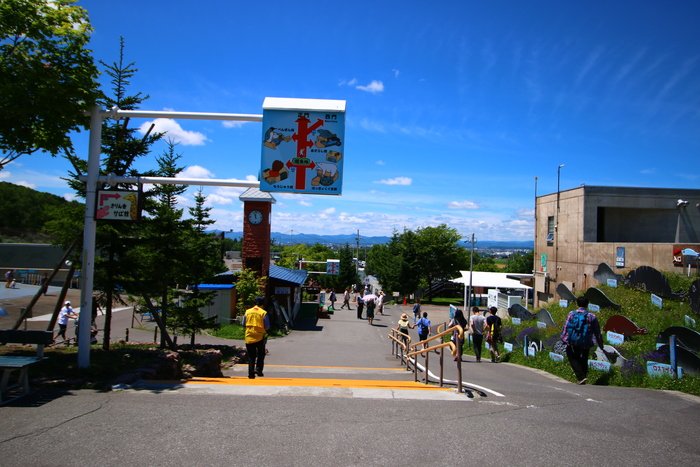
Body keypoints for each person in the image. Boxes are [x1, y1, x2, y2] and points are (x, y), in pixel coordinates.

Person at [561, 296, 607, 385]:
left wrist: (564, 339)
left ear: (577, 304)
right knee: (584, 358)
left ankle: (581, 377)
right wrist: (600, 344)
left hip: (573, 341)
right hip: (586, 341)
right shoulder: (592, 316)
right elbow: (597, 332)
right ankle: (584, 376)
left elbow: (566, 327)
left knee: (572, 357)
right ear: (587, 304)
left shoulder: (571, 314)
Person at [242, 297, 270, 379]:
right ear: (262, 304)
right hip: (260, 336)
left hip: (249, 336)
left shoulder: (247, 312)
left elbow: (243, 323)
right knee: (261, 354)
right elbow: (267, 326)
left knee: (251, 356)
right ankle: (258, 370)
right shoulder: (263, 313)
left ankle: (251, 374)